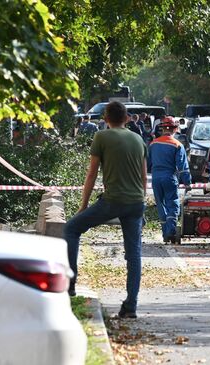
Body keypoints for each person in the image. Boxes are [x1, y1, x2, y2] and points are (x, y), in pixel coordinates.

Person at [64, 101, 147, 318]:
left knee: (71, 230)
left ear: (106, 118)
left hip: (112, 200)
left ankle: (70, 284)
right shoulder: (138, 139)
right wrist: (142, 206)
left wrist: (83, 207)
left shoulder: (102, 137)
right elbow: (143, 176)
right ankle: (131, 306)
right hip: (136, 202)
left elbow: (92, 174)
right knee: (134, 254)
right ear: (127, 118)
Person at [148, 117, 192, 242]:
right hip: (170, 177)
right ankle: (170, 231)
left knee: (161, 205)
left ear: (162, 129)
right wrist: (187, 183)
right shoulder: (177, 145)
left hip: (156, 178)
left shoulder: (153, 143)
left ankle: (165, 233)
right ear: (175, 129)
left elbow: (148, 163)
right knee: (172, 204)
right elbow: (183, 167)